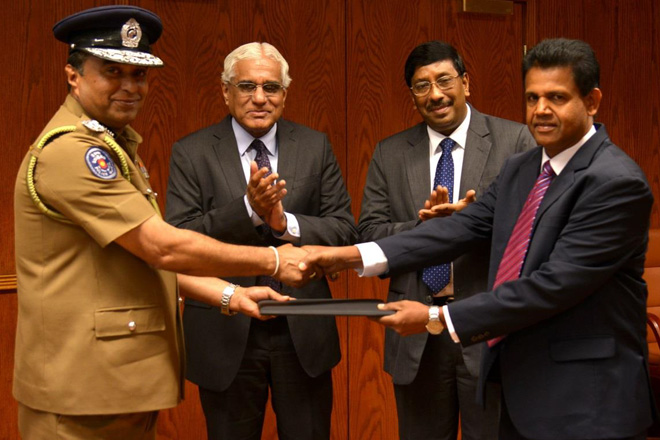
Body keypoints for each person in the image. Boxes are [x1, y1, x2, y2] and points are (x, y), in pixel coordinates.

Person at [301, 38, 656, 440]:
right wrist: (346, 256)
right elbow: (459, 228)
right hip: (523, 383)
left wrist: (435, 318)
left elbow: (552, 286)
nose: (541, 110)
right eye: (533, 97)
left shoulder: (614, 182)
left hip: (588, 398)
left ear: (591, 101)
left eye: (556, 97)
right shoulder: (524, 168)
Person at [13, 7, 308, 440]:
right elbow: (160, 246)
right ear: (73, 76)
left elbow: (138, 257)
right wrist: (273, 260)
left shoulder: (113, 146)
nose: (130, 87)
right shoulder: (72, 152)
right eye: (112, 72)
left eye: (139, 75)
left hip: (115, 383)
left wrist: (231, 293)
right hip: (81, 387)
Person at [165, 42, 357, 440]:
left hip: (302, 329)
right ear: (226, 91)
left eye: (271, 87)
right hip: (225, 329)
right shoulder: (192, 152)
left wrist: (284, 222)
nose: (259, 97)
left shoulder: (314, 145)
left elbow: (344, 228)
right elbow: (180, 239)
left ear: (284, 94)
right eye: (247, 86)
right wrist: (248, 211)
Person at [357, 40, 535, 440]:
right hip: (416, 334)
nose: (435, 94)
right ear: (412, 95)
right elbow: (368, 232)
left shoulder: (516, 142)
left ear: (466, 83)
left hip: (488, 328)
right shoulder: (390, 153)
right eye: (422, 86)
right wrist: (424, 229)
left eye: (444, 81)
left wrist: (471, 223)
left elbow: (532, 232)